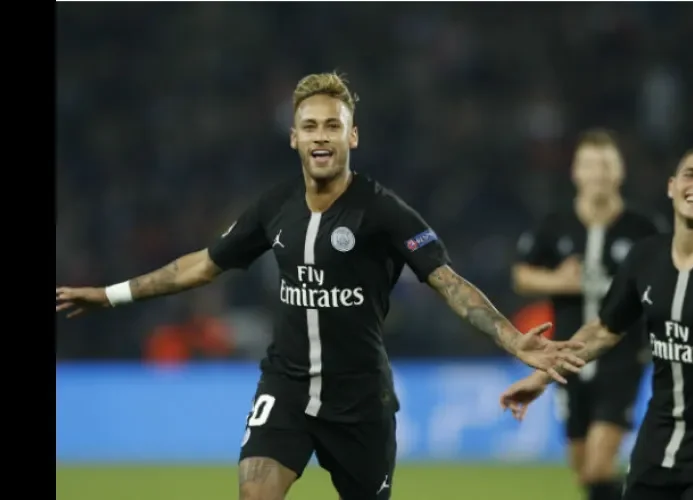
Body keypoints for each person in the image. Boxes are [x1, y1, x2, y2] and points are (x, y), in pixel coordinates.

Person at [55, 72, 585, 500]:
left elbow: (448, 283)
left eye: (333, 126)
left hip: (360, 401)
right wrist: (109, 294)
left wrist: (513, 341)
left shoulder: (384, 212)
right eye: (309, 126)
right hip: (285, 387)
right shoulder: (274, 207)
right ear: (294, 137)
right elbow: (202, 266)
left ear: (352, 136)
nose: (321, 136)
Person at [500, 143, 693, 500]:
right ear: (672, 186)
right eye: (691, 174)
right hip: (656, 443)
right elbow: (603, 330)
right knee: (588, 471)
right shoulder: (646, 257)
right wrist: (540, 378)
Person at [512, 128, 665, 500]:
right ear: (576, 172)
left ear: (619, 173)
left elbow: (664, 283)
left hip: (622, 355)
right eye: (590, 165)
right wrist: (559, 281)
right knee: (585, 472)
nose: (597, 174)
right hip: (565, 356)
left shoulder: (644, 230)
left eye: (605, 165)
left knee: (599, 465)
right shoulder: (555, 225)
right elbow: (521, 275)